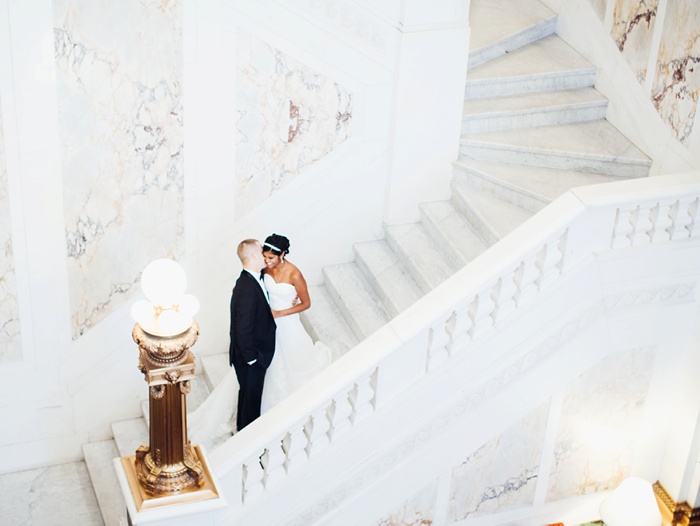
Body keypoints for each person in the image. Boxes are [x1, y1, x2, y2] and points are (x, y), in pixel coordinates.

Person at [260, 233, 331, 413]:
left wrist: (280, 313)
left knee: (290, 358)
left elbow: (306, 303)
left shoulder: (294, 274)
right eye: (265, 256)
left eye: (271, 257)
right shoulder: (264, 268)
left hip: (287, 321)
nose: (267, 261)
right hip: (267, 320)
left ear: (282, 254)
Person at [229, 239, 277, 430]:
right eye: (261, 250)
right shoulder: (246, 287)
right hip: (250, 359)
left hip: (254, 356)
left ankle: (243, 435)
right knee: (250, 403)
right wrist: (252, 359)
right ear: (254, 256)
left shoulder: (253, 279)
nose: (265, 254)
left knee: (249, 399)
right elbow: (243, 329)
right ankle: (247, 443)